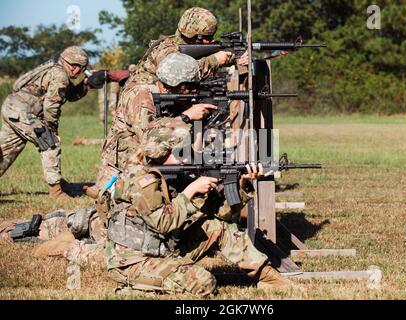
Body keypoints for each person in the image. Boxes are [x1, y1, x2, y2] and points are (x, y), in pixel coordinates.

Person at [104, 125, 292, 297]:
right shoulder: (141, 180)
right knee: (204, 284)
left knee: (218, 228)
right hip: (134, 261)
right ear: (160, 153)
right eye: (178, 152)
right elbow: (162, 222)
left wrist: (242, 184)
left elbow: (223, 215)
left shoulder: (173, 175)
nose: (185, 157)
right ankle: (133, 287)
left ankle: (267, 277)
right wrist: (190, 191)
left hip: (164, 248)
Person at [88, 52, 217, 199]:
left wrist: (200, 122)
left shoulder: (172, 98)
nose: (193, 90)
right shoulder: (141, 95)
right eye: (189, 86)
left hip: (148, 165)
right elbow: (150, 141)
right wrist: (185, 117)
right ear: (174, 83)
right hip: (123, 176)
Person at [0, 46, 91, 199]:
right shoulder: (60, 75)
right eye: (74, 66)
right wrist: (52, 128)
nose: (77, 71)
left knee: (6, 150)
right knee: (50, 142)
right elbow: (51, 106)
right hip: (22, 112)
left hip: (12, 108)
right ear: (66, 62)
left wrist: (87, 84)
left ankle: (57, 185)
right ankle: (56, 191)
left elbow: (69, 95)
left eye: (81, 68)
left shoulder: (54, 69)